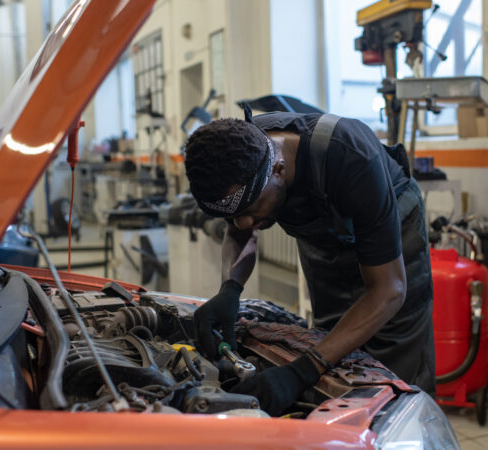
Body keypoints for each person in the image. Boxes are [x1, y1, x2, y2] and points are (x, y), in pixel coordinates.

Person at [184, 109, 434, 416]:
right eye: (233, 216)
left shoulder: (351, 156)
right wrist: (230, 289)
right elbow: (239, 228)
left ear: (278, 167)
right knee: (330, 344)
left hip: (393, 237)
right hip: (326, 240)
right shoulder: (243, 152)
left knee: (395, 369)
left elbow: (389, 290)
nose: (244, 222)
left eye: (251, 208)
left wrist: (301, 371)